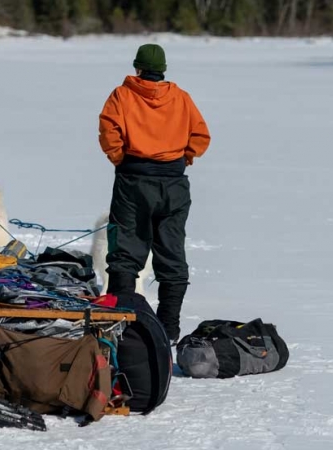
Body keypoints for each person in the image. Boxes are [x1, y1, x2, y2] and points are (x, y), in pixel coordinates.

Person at [98, 43, 211, 342]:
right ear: (162, 70)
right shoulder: (181, 98)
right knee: (172, 254)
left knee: (125, 251)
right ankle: (168, 329)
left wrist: (121, 158)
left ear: (137, 68)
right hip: (174, 184)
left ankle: (122, 327)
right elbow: (201, 135)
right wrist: (183, 158)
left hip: (133, 181)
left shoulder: (122, 95)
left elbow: (109, 131)